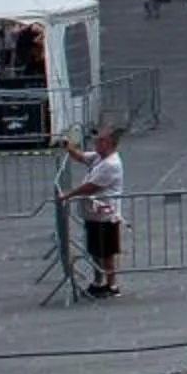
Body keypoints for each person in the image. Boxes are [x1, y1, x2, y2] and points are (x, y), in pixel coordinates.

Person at [58, 127, 126, 300]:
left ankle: (112, 285)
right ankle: (98, 282)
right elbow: (81, 157)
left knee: (107, 252)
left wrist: (69, 194)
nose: (96, 143)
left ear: (109, 144)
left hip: (106, 215)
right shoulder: (98, 157)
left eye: (100, 141)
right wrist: (69, 146)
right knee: (95, 250)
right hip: (94, 214)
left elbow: (90, 188)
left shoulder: (111, 164)